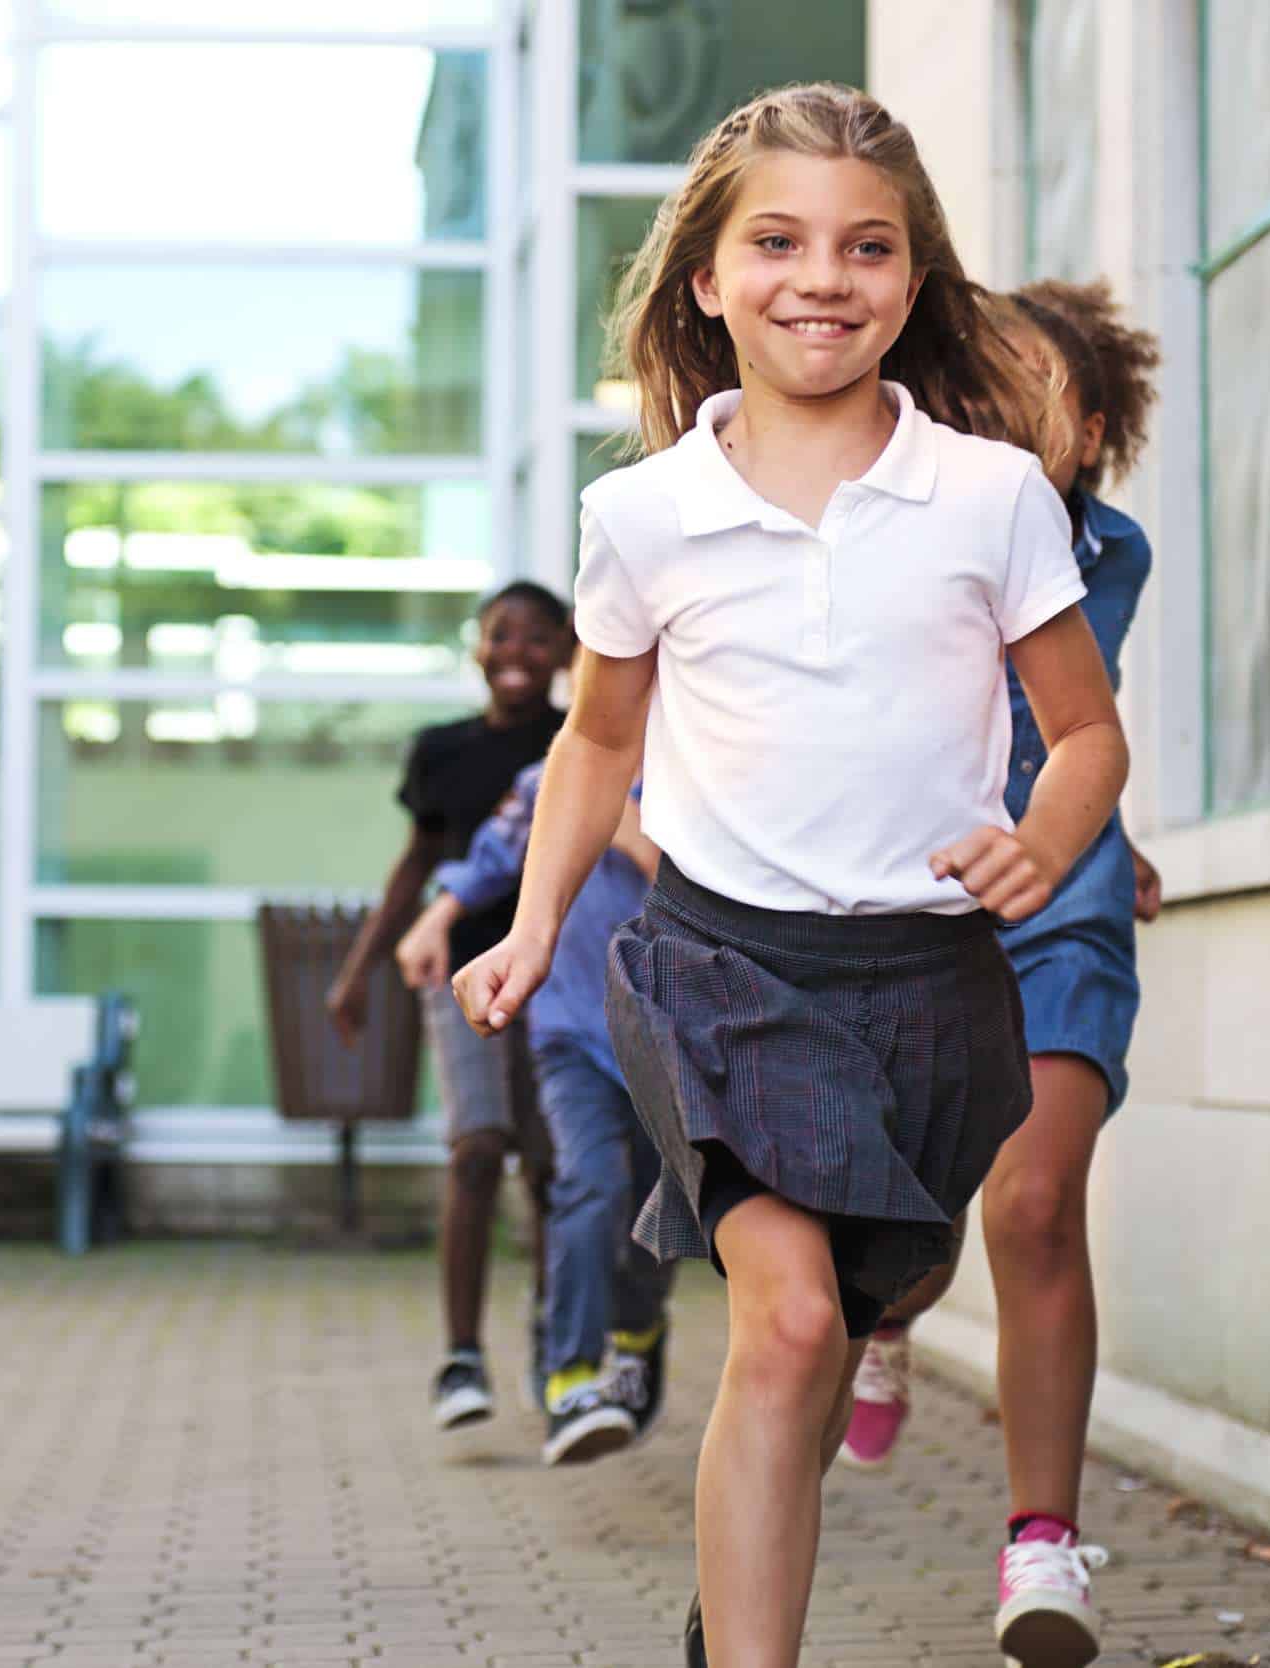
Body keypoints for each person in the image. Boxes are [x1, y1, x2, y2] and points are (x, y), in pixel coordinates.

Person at [450, 83, 1129, 1668]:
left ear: (911, 280)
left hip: (933, 986)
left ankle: (729, 1594)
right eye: (778, 241)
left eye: (866, 247)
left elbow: (1086, 732)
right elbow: (597, 750)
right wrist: (536, 926)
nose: (821, 277)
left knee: (840, 1335)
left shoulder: (990, 495)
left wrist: (1044, 840)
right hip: (722, 976)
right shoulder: (644, 517)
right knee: (796, 1320)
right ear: (706, 276)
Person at [836, 277, 1165, 1668]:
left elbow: (1068, 724)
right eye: (973, 386)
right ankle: (892, 1322)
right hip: (916, 904)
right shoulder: (909, 529)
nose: (992, 409)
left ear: (1088, 430)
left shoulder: (1112, 552)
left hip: (1060, 908)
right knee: (912, 1230)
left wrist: (1105, 837)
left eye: (1027, 387)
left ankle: (1043, 1540)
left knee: (1034, 1202)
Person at [327, 581, 573, 1431]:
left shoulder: (582, 741)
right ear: (476, 647)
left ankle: (555, 1339)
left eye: (538, 638)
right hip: (464, 970)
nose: (517, 653)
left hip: (559, 974)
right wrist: (358, 971)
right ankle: (462, 1357)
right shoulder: (442, 751)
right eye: (501, 635)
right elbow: (416, 861)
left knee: (548, 1166)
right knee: (475, 1149)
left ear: (571, 651)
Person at [396, 761, 675, 1466]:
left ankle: (638, 1333)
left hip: (672, 1044)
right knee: (588, 1186)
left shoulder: (698, 767)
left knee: (659, 1214)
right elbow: (495, 855)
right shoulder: (552, 776)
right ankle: (572, 1378)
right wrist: (436, 917)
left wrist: (636, 836)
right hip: (571, 1036)